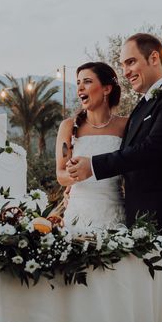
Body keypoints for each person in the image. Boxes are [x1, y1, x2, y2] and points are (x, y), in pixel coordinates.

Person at [67, 33, 162, 272]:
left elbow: (150, 151)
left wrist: (93, 166)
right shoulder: (143, 106)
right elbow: (129, 154)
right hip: (140, 220)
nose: (126, 71)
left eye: (131, 62)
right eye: (123, 65)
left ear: (153, 58)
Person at [56, 62, 128, 231]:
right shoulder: (69, 126)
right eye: (78, 82)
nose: (80, 87)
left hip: (114, 213)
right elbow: (60, 175)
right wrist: (76, 175)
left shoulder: (126, 125)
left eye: (87, 81)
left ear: (106, 89)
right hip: (78, 215)